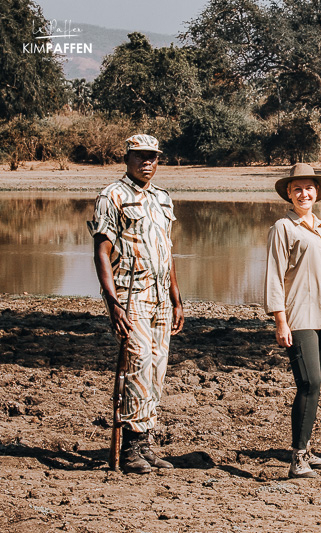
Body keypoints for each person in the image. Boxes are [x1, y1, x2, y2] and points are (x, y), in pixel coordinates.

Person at [88, 134, 184, 474]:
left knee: (157, 366)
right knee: (138, 361)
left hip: (160, 298)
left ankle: (146, 441)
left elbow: (167, 249)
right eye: (141, 156)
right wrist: (112, 303)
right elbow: (102, 251)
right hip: (130, 294)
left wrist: (176, 294)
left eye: (153, 157)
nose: (147, 162)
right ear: (127, 158)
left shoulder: (162, 198)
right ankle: (130, 446)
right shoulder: (111, 196)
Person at [264, 163, 321, 479]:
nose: (304, 193)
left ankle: (307, 449)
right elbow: (274, 276)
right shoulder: (282, 228)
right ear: (289, 193)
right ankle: (298, 458)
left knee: (315, 386)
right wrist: (280, 321)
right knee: (308, 382)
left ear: (317, 192)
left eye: (309, 188)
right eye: (298, 188)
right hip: (299, 316)